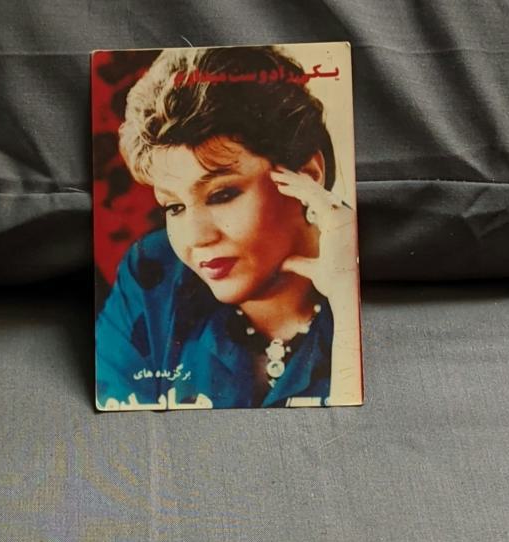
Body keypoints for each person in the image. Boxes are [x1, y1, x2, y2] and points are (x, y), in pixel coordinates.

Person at [95, 45, 361, 410]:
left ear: (308, 176)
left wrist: (347, 309)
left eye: (222, 195)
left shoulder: (369, 271)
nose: (196, 238)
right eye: (174, 206)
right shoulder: (153, 275)